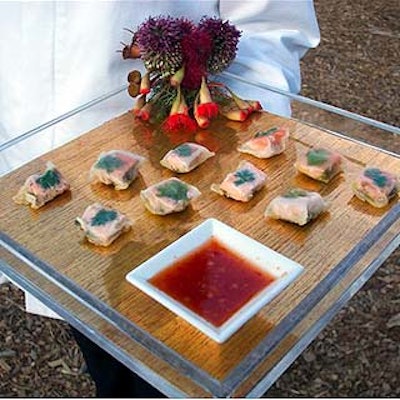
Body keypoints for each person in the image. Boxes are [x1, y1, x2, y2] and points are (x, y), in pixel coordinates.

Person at [0, 1, 320, 397]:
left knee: (190, 359)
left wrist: (236, 133)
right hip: (35, 162)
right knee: (105, 352)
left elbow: (268, 22)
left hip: (187, 158)